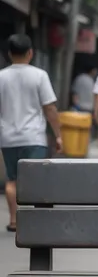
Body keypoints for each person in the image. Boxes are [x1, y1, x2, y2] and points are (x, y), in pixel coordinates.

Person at [0, 34, 62, 232]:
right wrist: (58, 134)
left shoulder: (1, 76)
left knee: (11, 180)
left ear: (9, 54)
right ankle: (36, 220)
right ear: (30, 53)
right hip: (34, 137)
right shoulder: (39, 75)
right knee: (36, 179)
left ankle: (14, 221)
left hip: (8, 137)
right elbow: (50, 108)